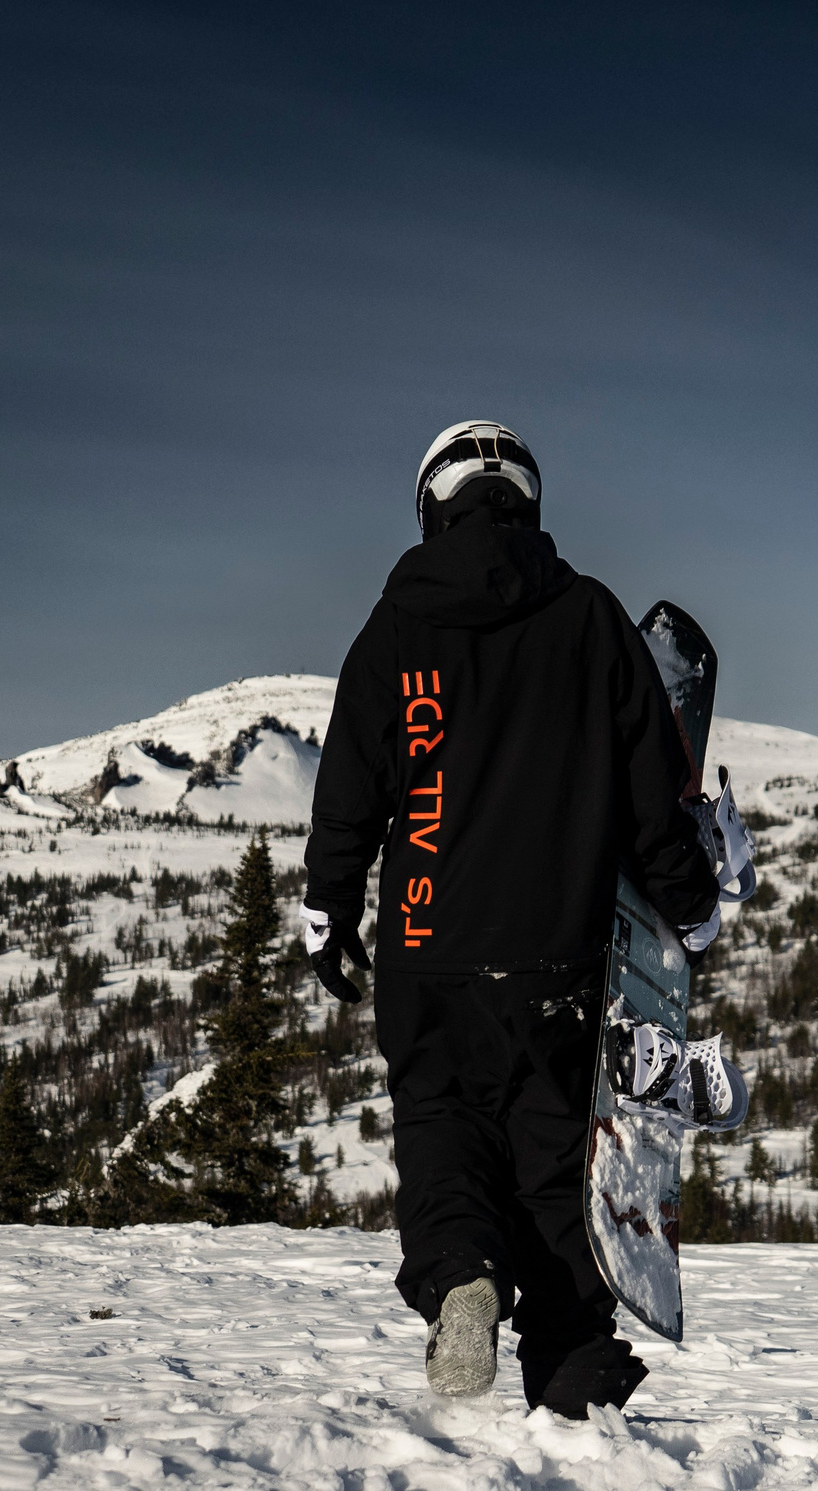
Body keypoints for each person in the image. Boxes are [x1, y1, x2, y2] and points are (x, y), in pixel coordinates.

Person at [300, 420, 722, 1417]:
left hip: (424, 945)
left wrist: (328, 909)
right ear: (529, 504)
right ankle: (575, 1390)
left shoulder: (391, 629)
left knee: (443, 1131)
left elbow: (348, 792)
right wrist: (690, 910)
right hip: (560, 959)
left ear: (429, 507)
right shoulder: (588, 618)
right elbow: (650, 799)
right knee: (552, 1180)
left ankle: (459, 1278)